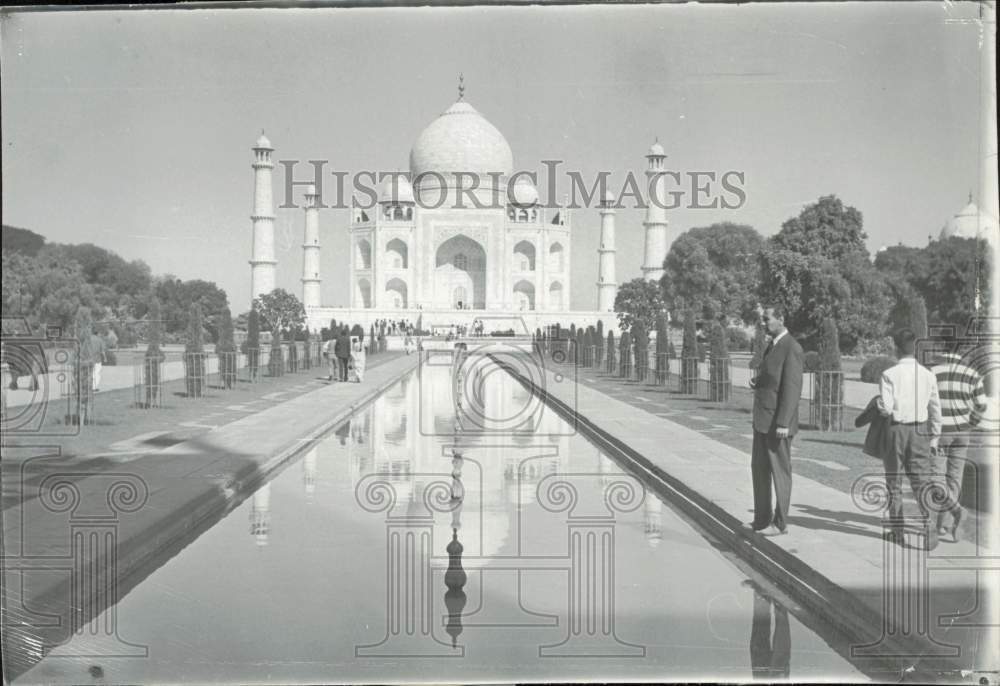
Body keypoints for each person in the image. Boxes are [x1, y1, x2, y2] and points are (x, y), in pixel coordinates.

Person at [877, 328, 942, 550]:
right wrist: (934, 437)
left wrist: (879, 405)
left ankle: (897, 532)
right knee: (921, 480)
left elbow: (885, 408)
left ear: (896, 348)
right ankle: (929, 523)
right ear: (914, 349)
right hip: (920, 431)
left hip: (896, 429)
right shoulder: (928, 374)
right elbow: (935, 408)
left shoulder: (889, 374)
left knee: (894, 482)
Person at [747, 305, 804, 537]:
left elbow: (791, 388)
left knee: (780, 472)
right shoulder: (774, 344)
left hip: (777, 423)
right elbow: (773, 377)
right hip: (763, 420)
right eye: (763, 319)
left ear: (781, 318)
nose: (764, 323)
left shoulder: (792, 347)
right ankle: (761, 519)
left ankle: (780, 524)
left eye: (767, 318)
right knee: (759, 469)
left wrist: (783, 422)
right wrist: (758, 382)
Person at [930, 334, 987, 543]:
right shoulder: (972, 373)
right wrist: (971, 423)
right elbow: (981, 405)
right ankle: (945, 525)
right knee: (955, 478)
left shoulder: (932, 372)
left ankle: (956, 513)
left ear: (941, 346)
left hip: (939, 431)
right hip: (963, 431)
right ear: (960, 349)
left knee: (935, 478)